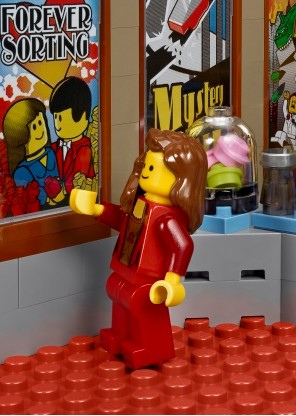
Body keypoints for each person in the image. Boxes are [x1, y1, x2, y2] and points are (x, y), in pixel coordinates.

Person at [70, 129, 207, 369]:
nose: (145, 171)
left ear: (180, 179)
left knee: (143, 306)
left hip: (148, 278)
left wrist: (172, 280)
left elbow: (183, 245)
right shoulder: (141, 204)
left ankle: (151, 347)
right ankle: (120, 335)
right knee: (118, 295)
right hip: (126, 269)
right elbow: (124, 221)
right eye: (146, 166)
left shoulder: (166, 218)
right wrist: (96, 209)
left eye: (153, 168)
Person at [3, 98, 63, 207]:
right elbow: (33, 200)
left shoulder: (52, 152)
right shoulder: (22, 171)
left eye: (40, 123)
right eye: (34, 127)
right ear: (20, 137)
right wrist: (50, 198)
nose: (40, 130)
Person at [50, 76, 95, 194]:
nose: (57, 124)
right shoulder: (53, 147)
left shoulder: (85, 149)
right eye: (55, 117)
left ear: (82, 116)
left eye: (61, 118)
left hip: (79, 199)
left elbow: (76, 182)